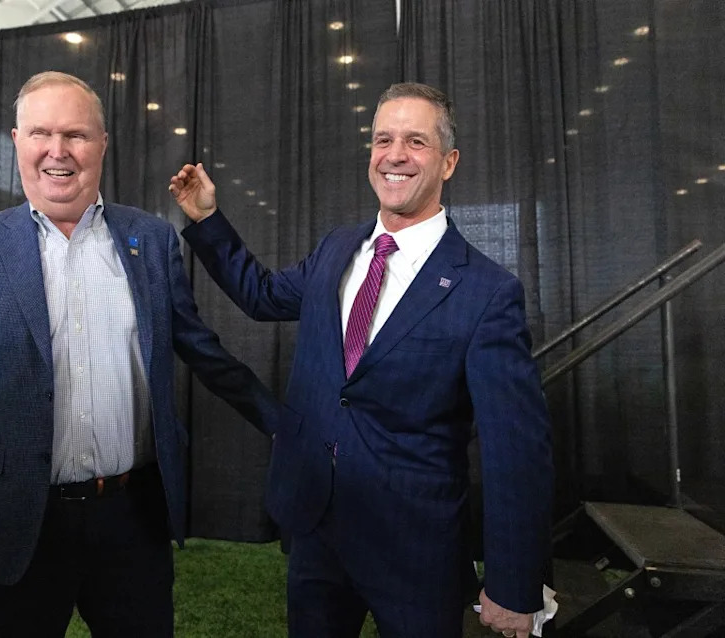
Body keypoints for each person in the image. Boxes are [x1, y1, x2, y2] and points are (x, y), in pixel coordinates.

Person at [0, 71, 279, 637]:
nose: (58, 151)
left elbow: (204, 351)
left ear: (102, 144)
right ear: (17, 140)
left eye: (76, 134)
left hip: (132, 520)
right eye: (40, 134)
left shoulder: (149, 239)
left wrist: (289, 425)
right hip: (14, 522)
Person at [168, 82, 553, 638]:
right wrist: (206, 219)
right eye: (383, 140)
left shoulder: (488, 293)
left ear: (448, 162)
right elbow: (262, 296)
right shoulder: (337, 248)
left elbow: (516, 450)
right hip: (315, 530)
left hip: (416, 551)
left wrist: (513, 584)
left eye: (415, 141)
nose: (394, 155)